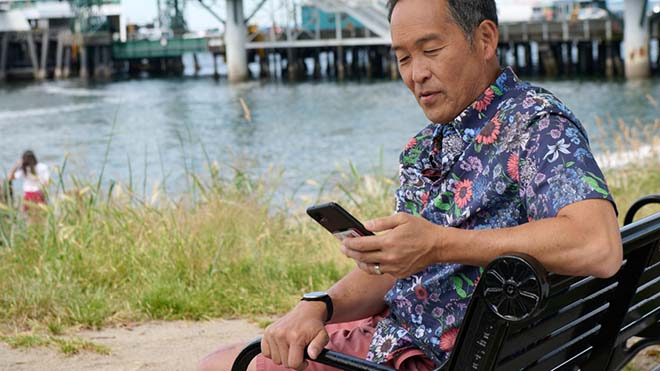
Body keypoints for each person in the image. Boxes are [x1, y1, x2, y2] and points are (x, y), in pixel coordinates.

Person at [198, 0, 622, 370]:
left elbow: (598, 246)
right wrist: (320, 305)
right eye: (402, 58)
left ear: (486, 38)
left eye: (431, 50)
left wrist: (438, 244)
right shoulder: (424, 149)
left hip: (425, 357)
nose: (417, 74)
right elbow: (394, 273)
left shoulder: (535, 124)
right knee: (292, 334)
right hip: (430, 338)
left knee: (219, 364)